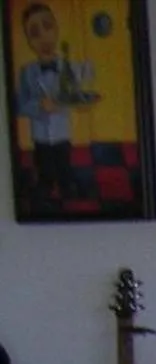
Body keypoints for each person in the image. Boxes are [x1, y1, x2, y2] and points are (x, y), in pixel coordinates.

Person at [14, 3, 90, 211]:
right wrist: (39, 105)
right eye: (34, 33)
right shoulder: (26, 72)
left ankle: (67, 187)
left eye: (47, 27)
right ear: (28, 41)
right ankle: (45, 188)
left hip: (61, 132)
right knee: (44, 167)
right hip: (39, 135)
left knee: (64, 164)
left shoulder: (68, 68)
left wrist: (80, 102)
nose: (43, 38)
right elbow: (20, 106)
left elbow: (76, 95)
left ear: (56, 28)